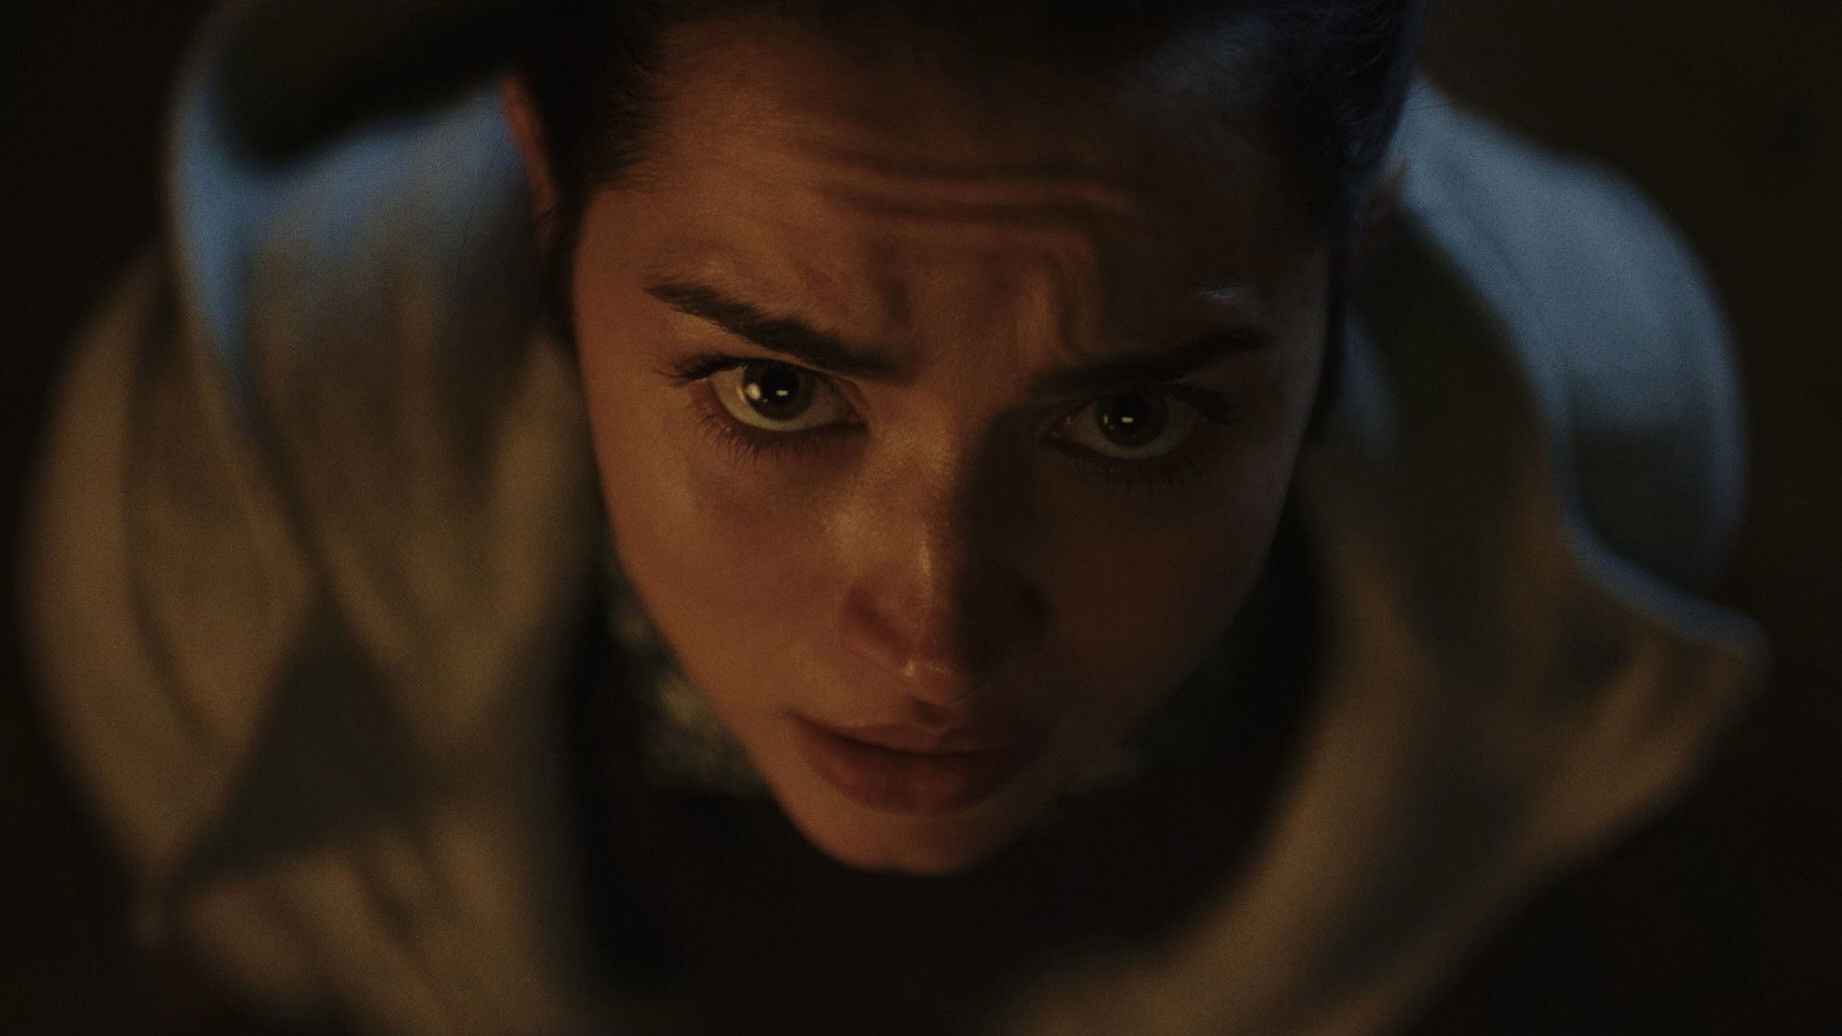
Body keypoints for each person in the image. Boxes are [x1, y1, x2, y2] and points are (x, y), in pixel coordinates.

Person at [21, 0, 1765, 1032]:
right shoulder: (209, 550)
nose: (933, 634)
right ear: (547, 184)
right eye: (774, 394)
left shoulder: (1606, 493)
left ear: (1354, 255)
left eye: (1129, 418)